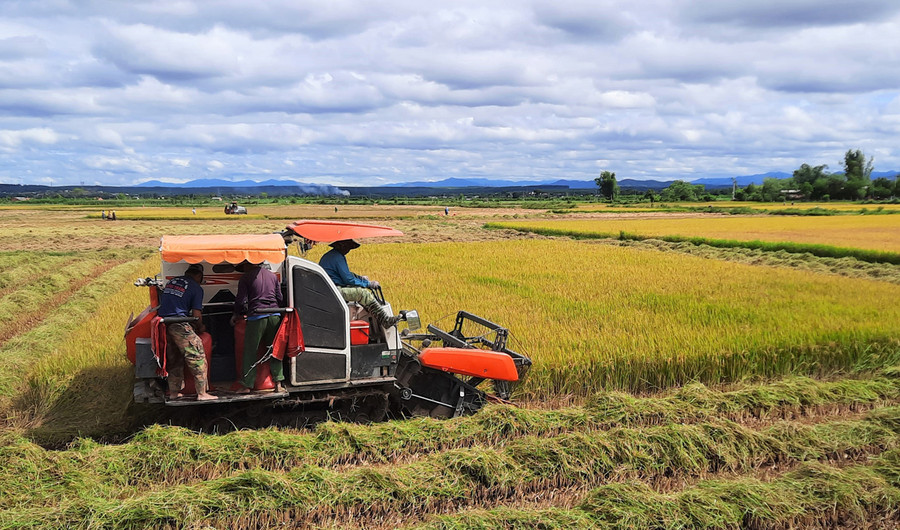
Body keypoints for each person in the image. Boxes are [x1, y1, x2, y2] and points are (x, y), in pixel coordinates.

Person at [157, 264, 215, 401]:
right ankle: (202, 393)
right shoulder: (196, 287)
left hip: (164, 324)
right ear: (199, 276)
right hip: (179, 325)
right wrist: (200, 327)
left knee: (175, 359)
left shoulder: (172, 282)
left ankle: (174, 392)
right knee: (197, 355)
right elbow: (196, 315)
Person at [319, 239, 402, 328]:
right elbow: (348, 279)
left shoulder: (329, 256)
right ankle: (385, 320)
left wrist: (361, 279)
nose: (348, 250)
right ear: (342, 246)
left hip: (328, 289)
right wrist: (367, 284)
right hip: (334, 290)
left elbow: (347, 275)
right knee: (363, 294)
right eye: (348, 247)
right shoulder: (337, 257)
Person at [232, 261, 286, 393]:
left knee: (250, 351)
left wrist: (236, 314)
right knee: (274, 351)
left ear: (247, 265)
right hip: (274, 316)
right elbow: (280, 297)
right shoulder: (272, 276)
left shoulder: (245, 278)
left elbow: (240, 301)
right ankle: (278, 383)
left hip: (257, 317)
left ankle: (246, 385)